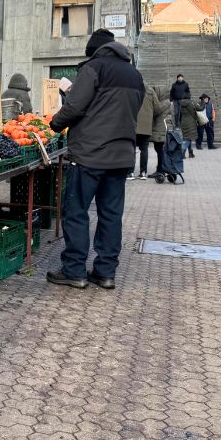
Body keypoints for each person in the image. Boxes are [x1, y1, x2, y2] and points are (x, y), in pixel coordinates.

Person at [46, 29, 145, 290]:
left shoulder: (93, 68)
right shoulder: (134, 74)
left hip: (89, 155)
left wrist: (55, 124)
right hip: (121, 157)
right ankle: (105, 272)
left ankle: (75, 271)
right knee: (111, 215)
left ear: (94, 51)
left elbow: (75, 106)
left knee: (76, 212)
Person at [129, 84, 156, 180]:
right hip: (146, 125)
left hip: (133, 124)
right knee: (144, 149)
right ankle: (143, 172)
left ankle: (130, 172)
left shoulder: (132, 88)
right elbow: (156, 107)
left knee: (132, 149)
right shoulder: (150, 90)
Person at [150, 84, 172, 176]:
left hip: (160, 129)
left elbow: (156, 110)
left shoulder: (165, 103)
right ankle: (160, 168)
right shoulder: (166, 102)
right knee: (159, 149)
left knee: (159, 150)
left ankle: (161, 169)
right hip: (159, 129)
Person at [179, 95, 204, 159]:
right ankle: (182, 152)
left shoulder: (180, 103)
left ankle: (190, 153)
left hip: (183, 122)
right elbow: (200, 109)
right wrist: (203, 103)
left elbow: (178, 114)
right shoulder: (191, 102)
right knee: (188, 139)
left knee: (187, 137)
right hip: (191, 123)